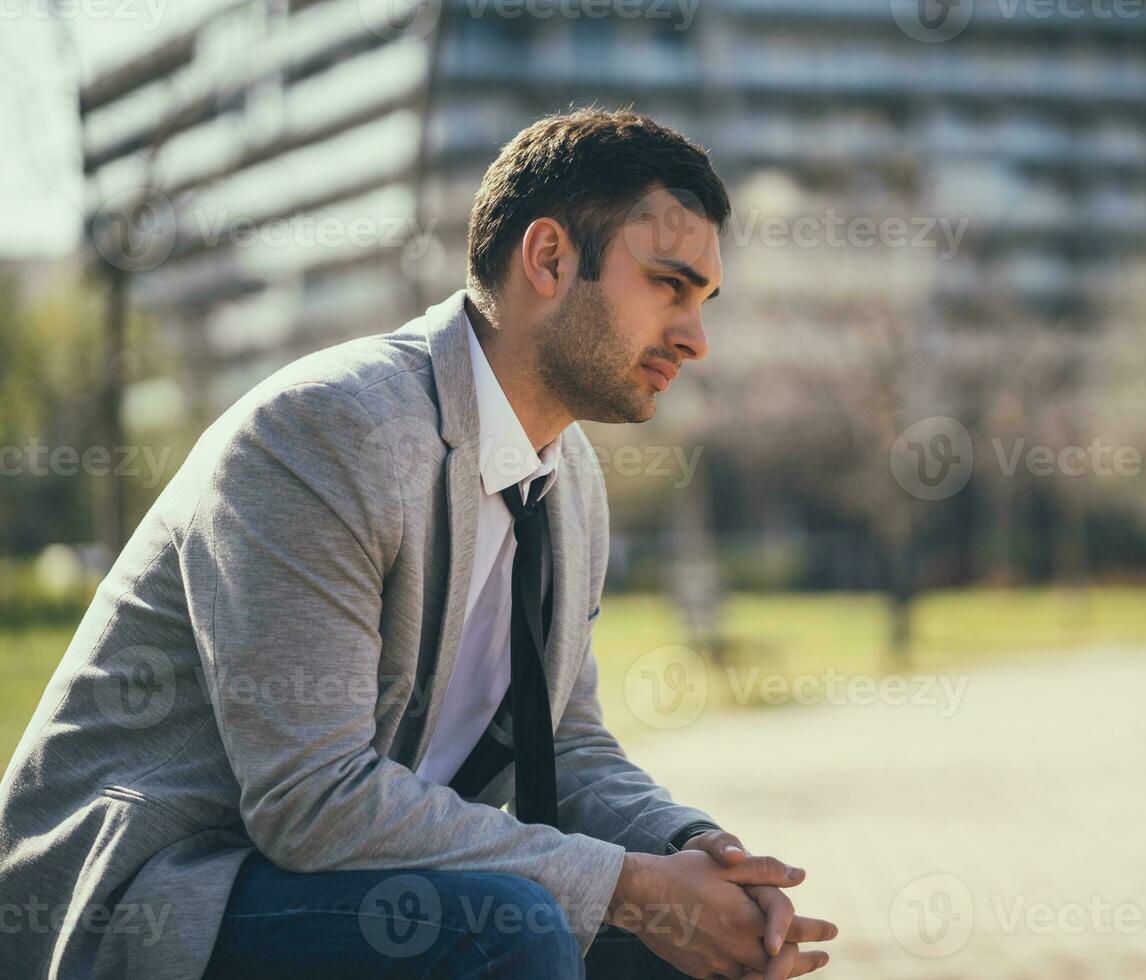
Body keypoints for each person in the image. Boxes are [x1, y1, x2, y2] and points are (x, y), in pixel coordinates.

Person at [0, 108, 836, 980]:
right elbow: (310, 802)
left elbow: (569, 745)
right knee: (512, 928)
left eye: (704, 301)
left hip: (342, 878)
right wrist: (631, 886)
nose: (696, 338)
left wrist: (698, 855)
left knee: (704, 949)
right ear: (548, 259)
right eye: (669, 285)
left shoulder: (571, 478)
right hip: (161, 892)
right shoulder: (328, 432)